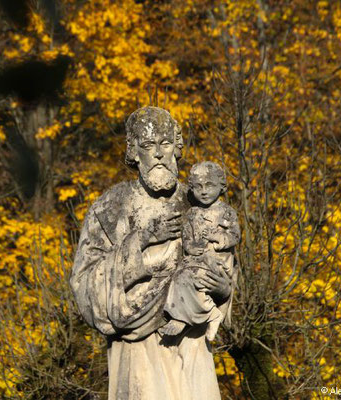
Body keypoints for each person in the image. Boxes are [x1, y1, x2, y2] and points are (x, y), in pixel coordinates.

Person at [70, 107, 232, 400]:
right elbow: (85, 289)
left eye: (165, 144)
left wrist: (225, 289)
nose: (157, 154)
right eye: (147, 145)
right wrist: (141, 244)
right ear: (133, 152)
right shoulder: (110, 209)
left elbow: (226, 264)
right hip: (137, 357)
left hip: (193, 355)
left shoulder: (199, 203)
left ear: (177, 148)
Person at [160, 161, 239, 341]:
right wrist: (193, 248)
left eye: (209, 185)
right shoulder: (192, 214)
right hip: (196, 260)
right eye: (198, 186)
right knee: (180, 278)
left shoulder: (227, 212)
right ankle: (208, 314)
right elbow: (187, 240)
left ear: (222, 186)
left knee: (199, 278)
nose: (204, 191)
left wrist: (217, 237)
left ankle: (206, 315)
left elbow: (233, 236)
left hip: (218, 263)